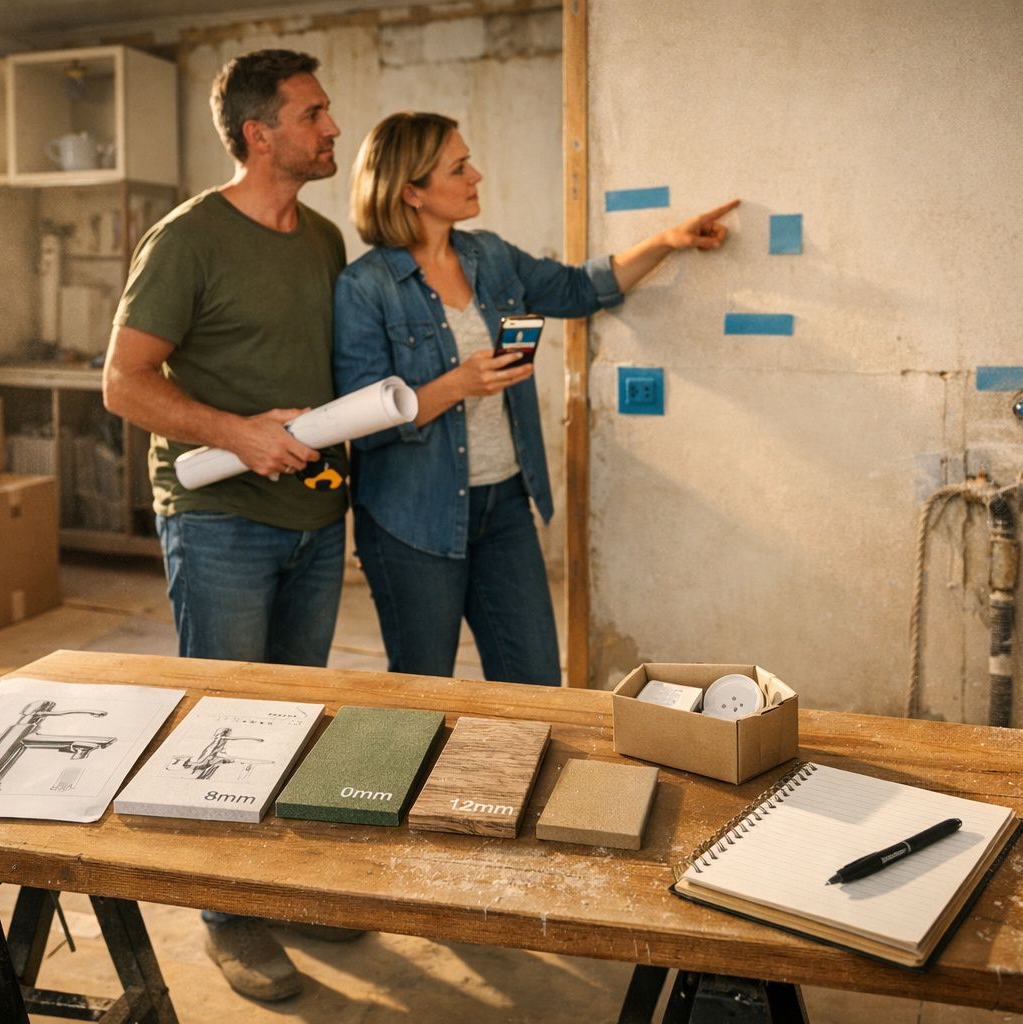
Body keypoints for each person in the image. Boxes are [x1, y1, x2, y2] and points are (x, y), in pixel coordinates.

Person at [102, 49, 360, 1003]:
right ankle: (228, 917)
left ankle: (280, 885)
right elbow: (123, 382)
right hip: (219, 520)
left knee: (297, 716)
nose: (333, 129)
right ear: (261, 133)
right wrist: (235, 436)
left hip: (313, 518)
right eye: (315, 114)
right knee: (229, 724)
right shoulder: (187, 239)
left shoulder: (324, 239)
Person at [334, 111, 738, 686]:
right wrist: (458, 385)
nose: (476, 175)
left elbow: (577, 289)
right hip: (411, 521)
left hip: (504, 507)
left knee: (536, 684)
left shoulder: (490, 256)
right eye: (458, 167)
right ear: (410, 192)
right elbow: (363, 422)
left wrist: (669, 242)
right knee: (419, 692)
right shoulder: (363, 288)